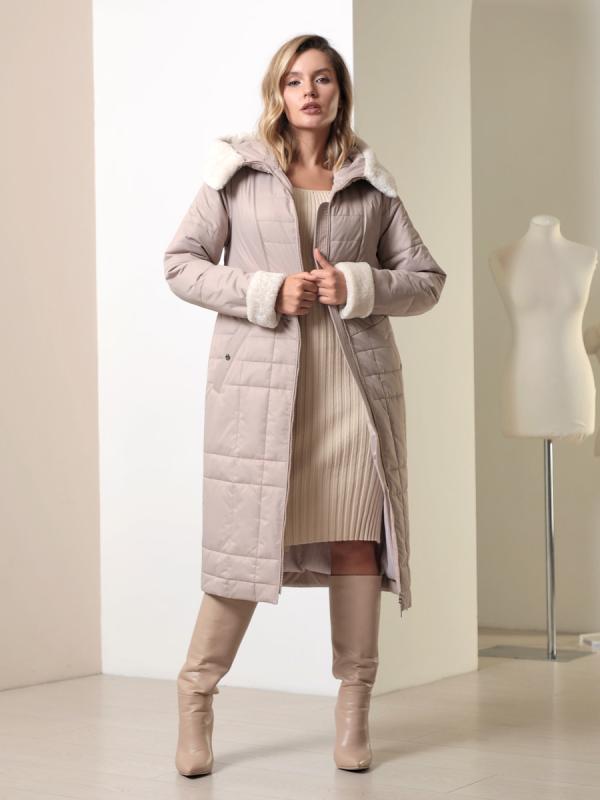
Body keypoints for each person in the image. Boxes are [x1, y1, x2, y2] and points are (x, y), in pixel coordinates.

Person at [163, 33, 447, 777]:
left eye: (322, 79)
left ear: (338, 91)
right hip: (262, 396)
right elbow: (181, 264)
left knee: (357, 544)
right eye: (295, 80)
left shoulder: (369, 181)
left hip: (352, 393)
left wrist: (357, 283)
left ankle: (354, 715)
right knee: (242, 551)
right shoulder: (236, 172)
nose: (309, 92)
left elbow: (426, 280)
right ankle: (196, 698)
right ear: (278, 92)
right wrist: (265, 291)